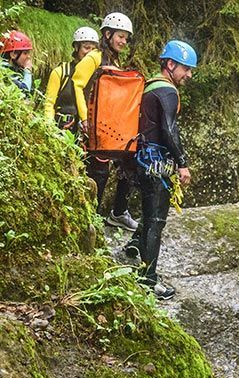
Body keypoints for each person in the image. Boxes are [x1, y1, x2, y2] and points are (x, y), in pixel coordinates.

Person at [123, 40, 195, 300]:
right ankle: (148, 280)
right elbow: (169, 130)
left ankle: (134, 244)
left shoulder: (151, 86)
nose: (188, 75)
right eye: (185, 69)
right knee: (156, 220)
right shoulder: (167, 91)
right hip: (156, 163)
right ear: (170, 64)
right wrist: (183, 163)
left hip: (143, 159)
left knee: (150, 212)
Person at [71, 12, 138, 231]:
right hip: (93, 125)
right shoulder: (95, 57)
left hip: (110, 127)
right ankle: (90, 219)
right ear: (107, 34)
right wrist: (84, 119)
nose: (123, 41)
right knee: (99, 173)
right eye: (120, 36)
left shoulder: (114, 60)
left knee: (128, 164)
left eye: (126, 38)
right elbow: (77, 84)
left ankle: (118, 212)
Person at [43, 26, 99, 133]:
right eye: (86, 48)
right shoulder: (60, 72)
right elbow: (49, 103)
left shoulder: (98, 76)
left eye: (93, 50)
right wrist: (50, 128)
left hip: (88, 134)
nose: (90, 53)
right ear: (76, 47)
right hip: (62, 131)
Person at [1, 30, 33, 96]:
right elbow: (25, 91)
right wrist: (28, 70)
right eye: (25, 53)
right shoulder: (4, 71)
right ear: (13, 55)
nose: (28, 57)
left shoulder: (14, 69)